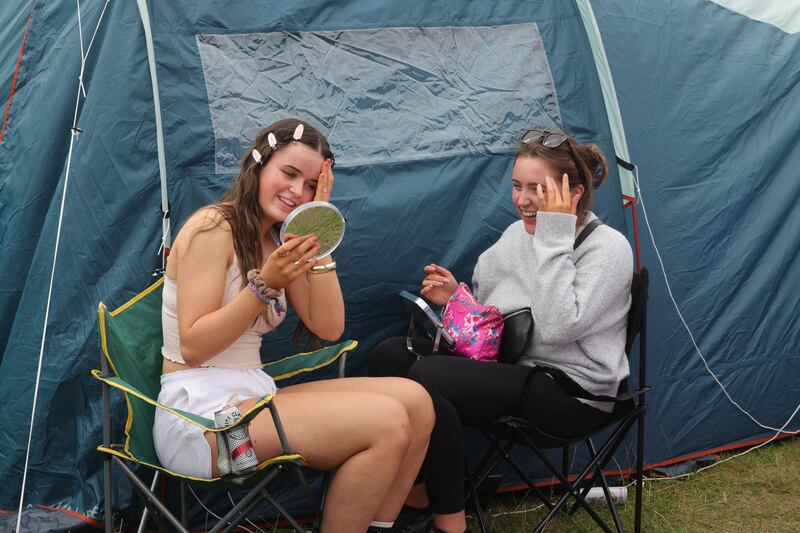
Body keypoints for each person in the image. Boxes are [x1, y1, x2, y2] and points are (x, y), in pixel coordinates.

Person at [153, 118, 435, 533]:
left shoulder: (278, 241)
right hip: (202, 422)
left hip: (251, 398)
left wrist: (316, 224)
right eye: (288, 174)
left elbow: (330, 325)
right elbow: (194, 346)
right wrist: (264, 287)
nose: (296, 191)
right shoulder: (212, 228)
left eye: (309, 186)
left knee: (416, 401)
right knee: (387, 422)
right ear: (257, 165)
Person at [369, 129, 633, 533]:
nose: (523, 200)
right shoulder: (516, 236)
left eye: (537, 190)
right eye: (517, 186)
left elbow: (558, 327)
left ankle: (450, 522)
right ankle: (418, 492)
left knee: (431, 378)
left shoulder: (608, 249)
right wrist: (456, 298)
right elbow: (496, 318)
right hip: (518, 369)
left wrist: (554, 237)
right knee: (391, 355)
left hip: (573, 393)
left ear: (573, 193)